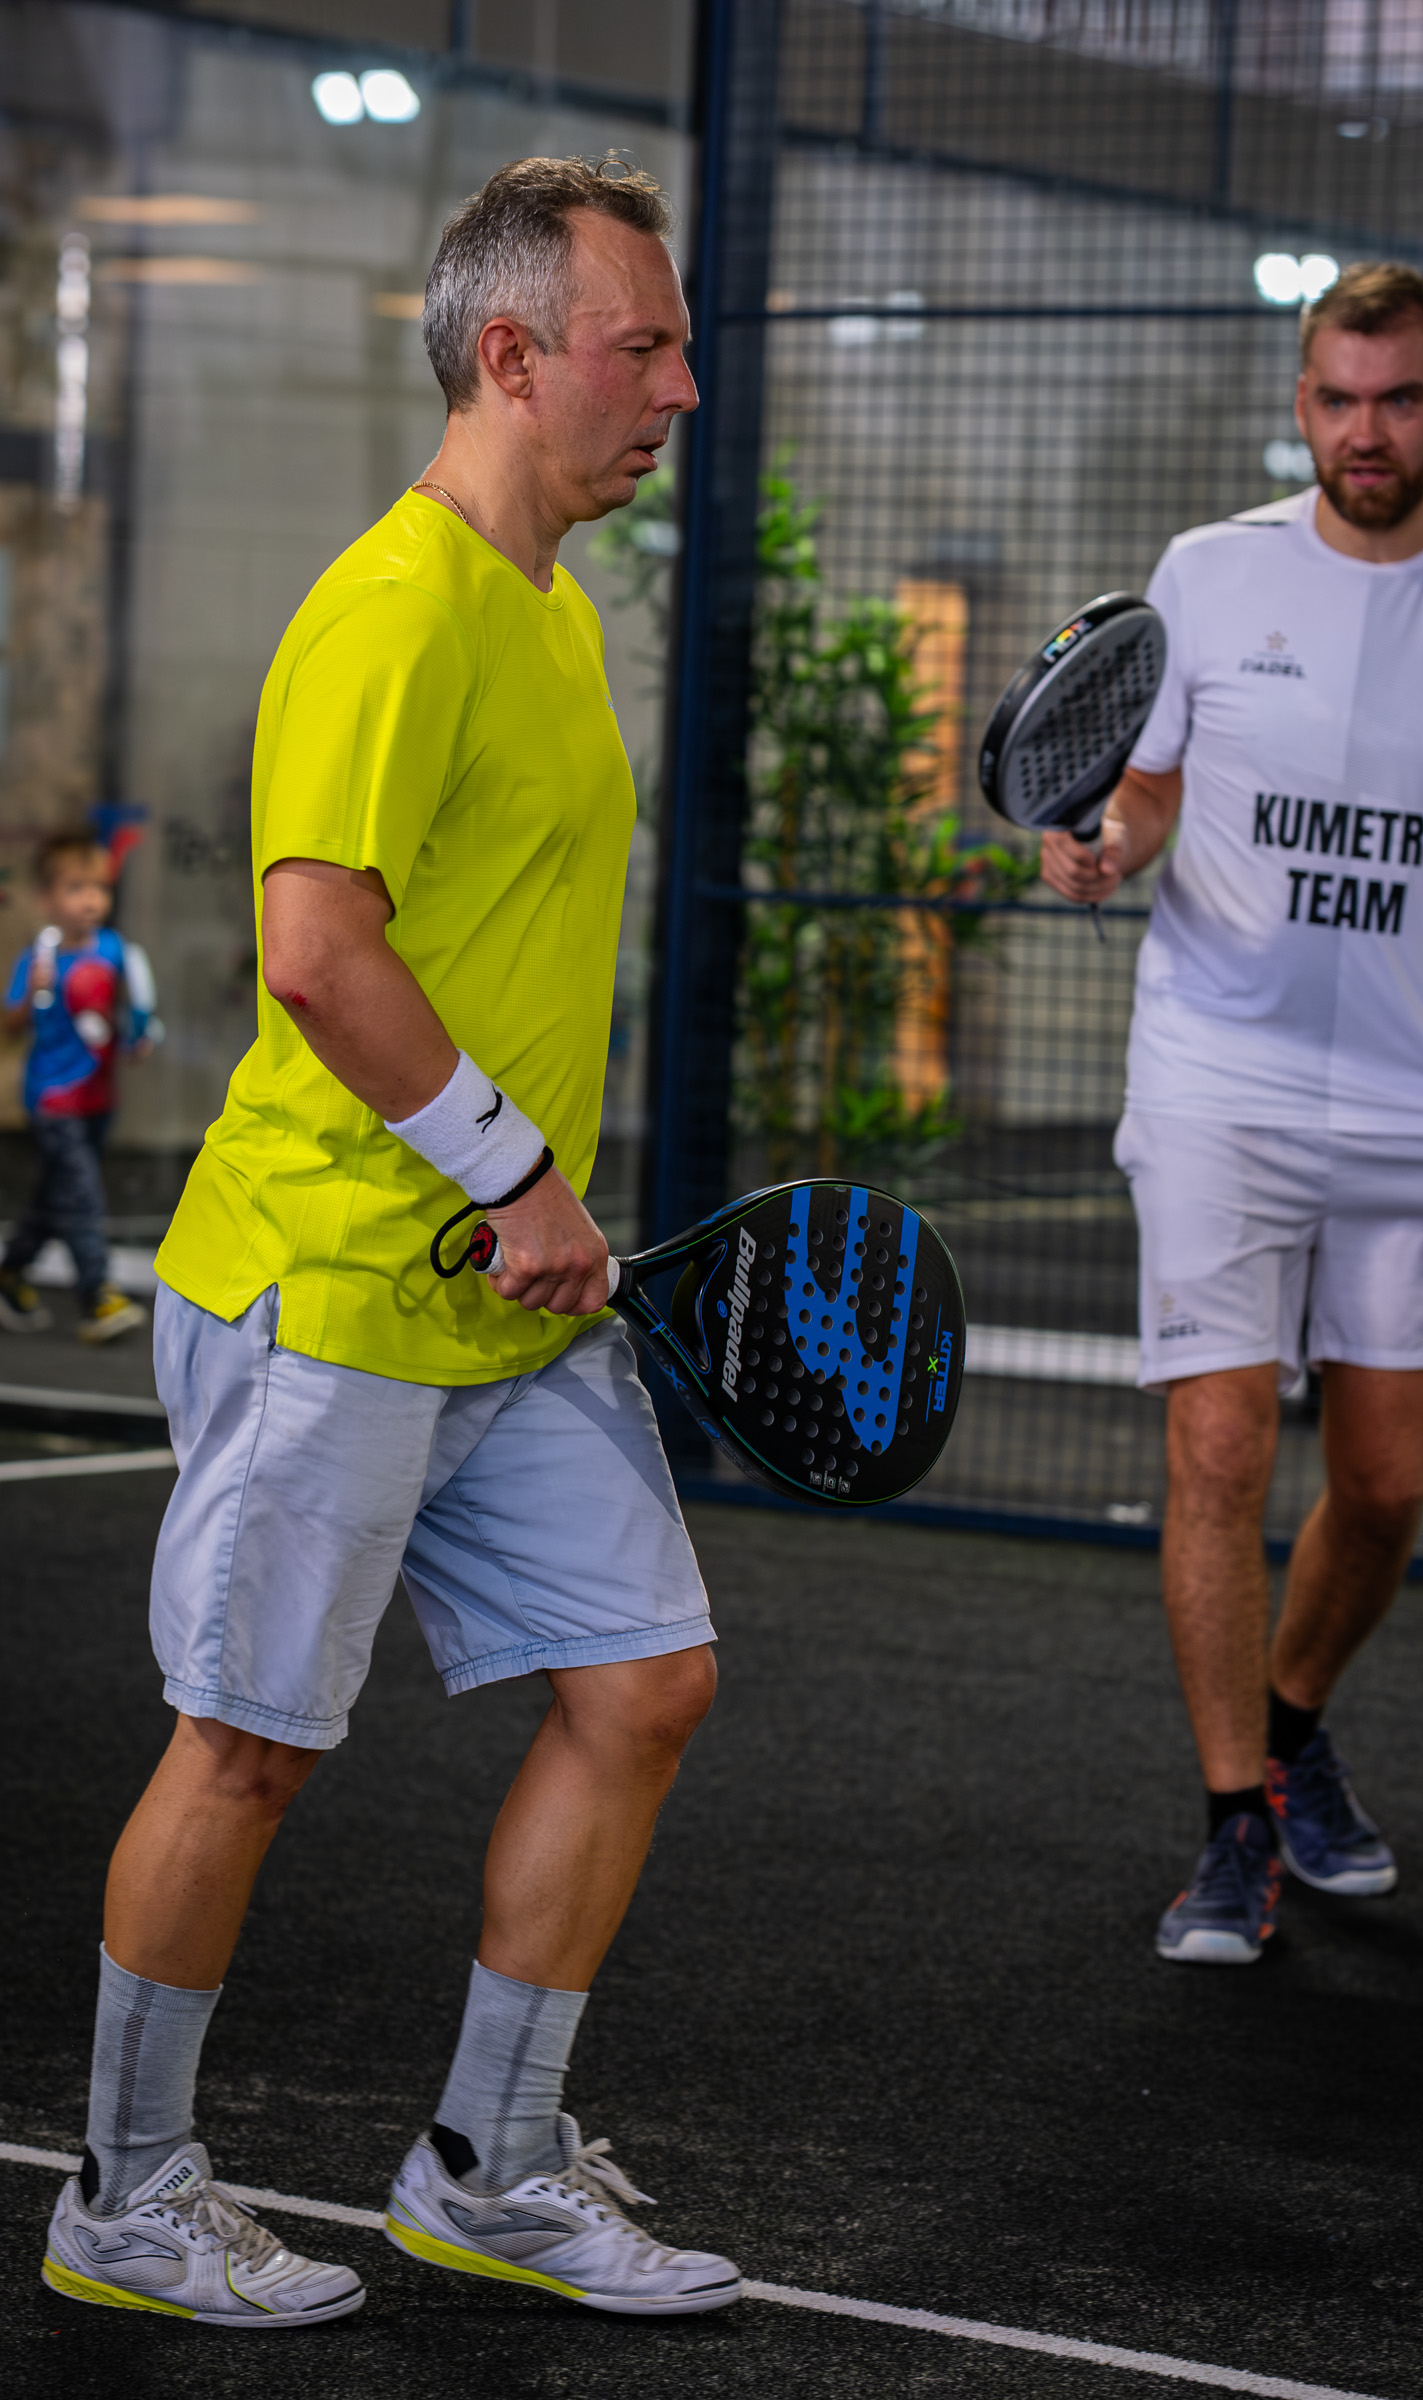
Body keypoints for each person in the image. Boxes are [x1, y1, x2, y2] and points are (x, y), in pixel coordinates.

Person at [41, 156, 742, 2330]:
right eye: (644, 346)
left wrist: (527, 1208)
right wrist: (515, 1176)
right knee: (246, 1745)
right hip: (337, 1281)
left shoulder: (545, 602)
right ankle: (124, 2199)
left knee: (642, 1690)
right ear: (511, 354)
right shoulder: (396, 605)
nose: (682, 390)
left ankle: (489, 2167)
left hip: (497, 1300)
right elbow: (316, 953)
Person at [1039, 262, 1423, 1967]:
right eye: (1334, 399)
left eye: (1396, 399)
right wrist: (1096, 851)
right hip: (1219, 1082)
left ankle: (1282, 1727)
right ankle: (1228, 1832)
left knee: (1389, 1480)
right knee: (1208, 1450)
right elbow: (1141, 805)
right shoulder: (1206, 575)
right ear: (1298, 403)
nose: (1363, 431)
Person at [0, 833, 159, 1344]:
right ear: (48, 899)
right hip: (53, 1098)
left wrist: (140, 1035)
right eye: (76, 887)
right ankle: (98, 1295)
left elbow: (134, 1008)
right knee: (83, 1196)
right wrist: (38, 988)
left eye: (100, 888)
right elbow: (12, 1023)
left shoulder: (114, 949)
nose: (91, 899)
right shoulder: (38, 958)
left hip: (97, 1099)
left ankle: (9, 1271)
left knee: (56, 1194)